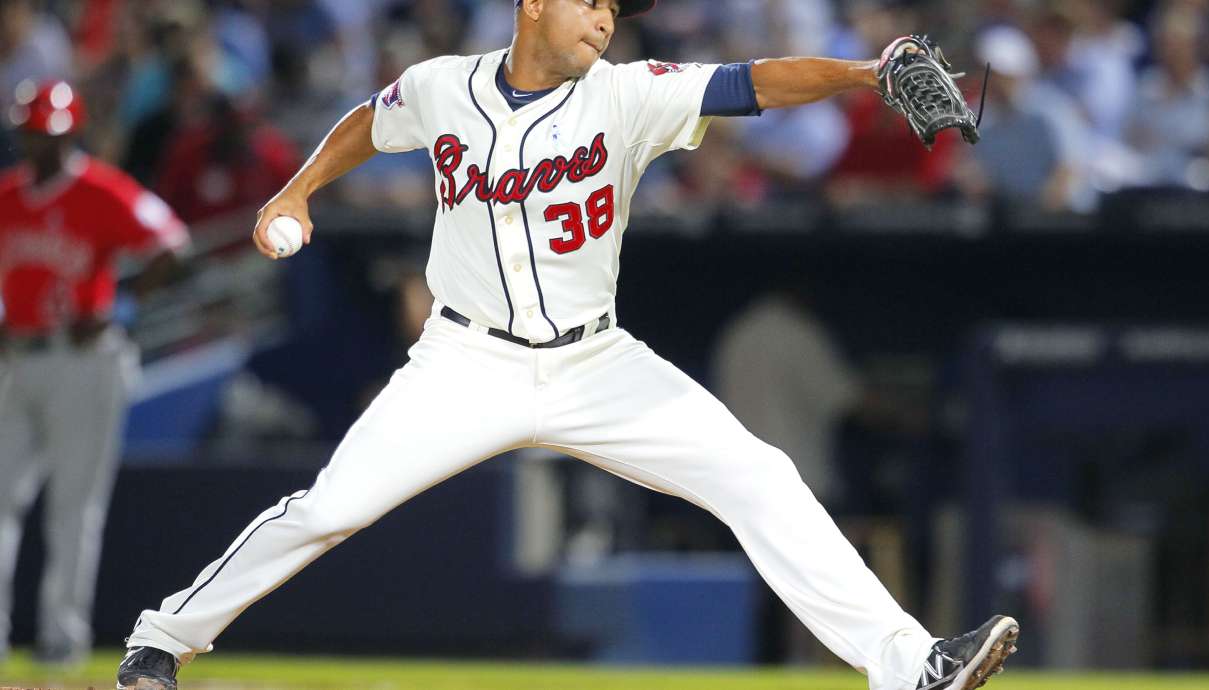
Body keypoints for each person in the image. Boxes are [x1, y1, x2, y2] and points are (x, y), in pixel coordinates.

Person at [116, 3, 1019, 690]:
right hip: (464, 363)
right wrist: (297, 191)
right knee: (326, 510)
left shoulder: (627, 93)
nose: (605, 19)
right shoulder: (441, 85)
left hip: (597, 363)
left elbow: (755, 80)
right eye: (591, 2)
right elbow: (367, 120)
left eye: (614, 10)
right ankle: (162, 637)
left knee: (759, 476)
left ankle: (909, 664)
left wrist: (866, 72)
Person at [0, 80, 189, 666]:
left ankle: (61, 640)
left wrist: (122, 308)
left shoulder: (101, 189)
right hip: (18, 357)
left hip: (85, 361)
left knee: (72, 506)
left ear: (72, 132)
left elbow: (172, 246)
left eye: (49, 135)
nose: (41, 146)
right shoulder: (7, 194)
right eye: (33, 134)